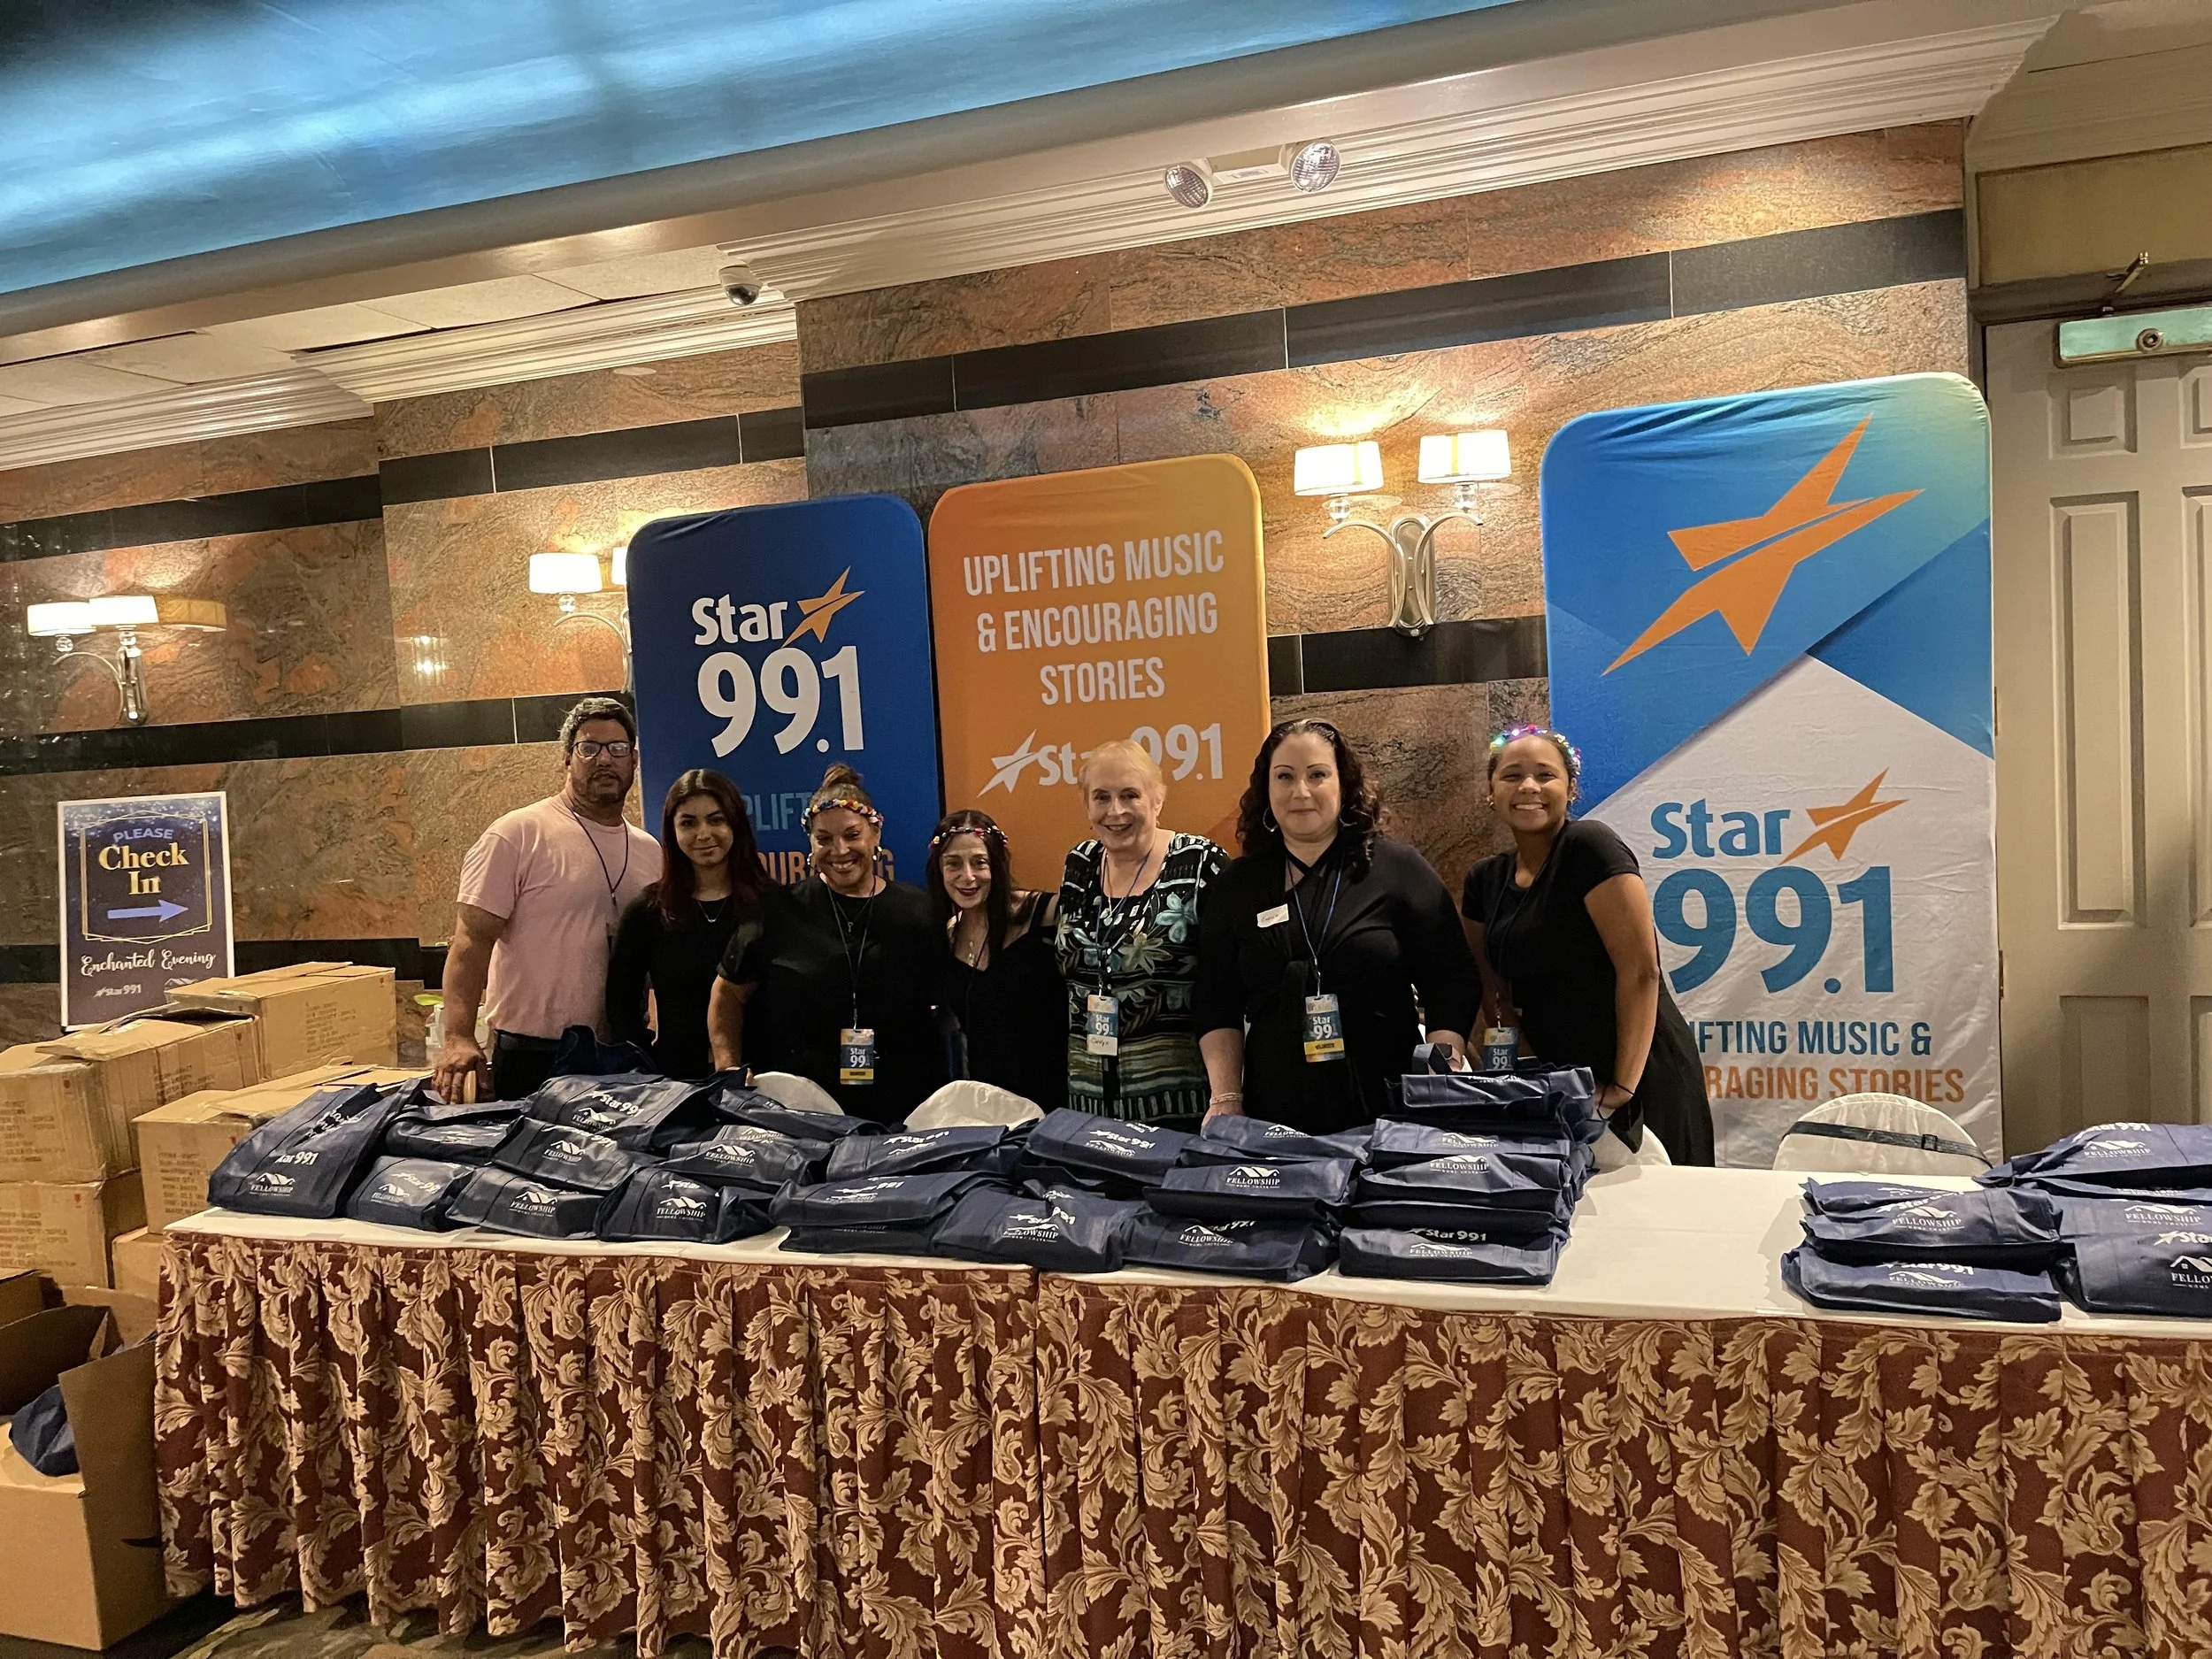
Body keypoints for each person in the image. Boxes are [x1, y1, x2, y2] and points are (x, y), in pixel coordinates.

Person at [1198, 719, 1479, 1133]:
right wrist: (1225, 1097)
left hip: (1389, 1108)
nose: (1301, 791)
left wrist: (1442, 1068)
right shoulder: (1237, 886)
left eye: (1317, 775)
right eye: (1285, 777)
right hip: (1273, 1113)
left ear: (1344, 785)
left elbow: (1451, 976)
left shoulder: (1398, 870)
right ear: (1266, 789)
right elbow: (1215, 997)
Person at [1460, 724, 1715, 1164]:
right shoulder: (1485, 878)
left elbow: (1641, 971)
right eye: (1512, 775)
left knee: (1663, 1200)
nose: (1528, 787)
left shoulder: (1589, 846)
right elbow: (1491, 987)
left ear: (1571, 789)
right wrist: (1523, 1065)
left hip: (1635, 1068)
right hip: (1558, 1074)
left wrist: (1622, 1086)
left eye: (1545, 775)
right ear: (1491, 791)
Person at [435, 696, 662, 1101]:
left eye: (617, 748)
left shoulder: (650, 851)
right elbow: (471, 942)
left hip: (622, 1057)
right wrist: (458, 1037)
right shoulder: (517, 834)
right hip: (533, 1056)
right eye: (589, 748)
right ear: (567, 759)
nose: (604, 759)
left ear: (634, 760)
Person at [707, 764, 945, 1123]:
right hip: (799, 1113)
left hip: (906, 1110)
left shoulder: (920, 911)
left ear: (876, 834)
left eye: (852, 835)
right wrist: (729, 1069)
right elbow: (727, 993)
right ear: (810, 843)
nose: (840, 850)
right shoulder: (777, 911)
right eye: (824, 839)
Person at [1055, 739, 1225, 1124]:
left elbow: (1227, 988)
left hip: (1183, 1109)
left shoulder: (1199, 862)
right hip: (1089, 1107)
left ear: (1157, 800)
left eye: (1130, 795)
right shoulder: (1080, 863)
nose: (1115, 811)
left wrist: (1228, 1095)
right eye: (1101, 797)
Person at [606, 770, 768, 1079]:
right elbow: (620, 1005)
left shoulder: (771, 904)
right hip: (675, 1082)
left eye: (716, 820)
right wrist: (648, 1070)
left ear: (736, 823)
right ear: (672, 831)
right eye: (688, 823)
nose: (703, 834)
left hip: (762, 1078)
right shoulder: (648, 910)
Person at [927, 809, 1066, 1110]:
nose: (968, 877)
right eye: (953, 864)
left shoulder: (1044, 913)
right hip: (990, 1108)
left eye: (980, 862)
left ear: (997, 865)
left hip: (1055, 1102)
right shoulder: (948, 935)